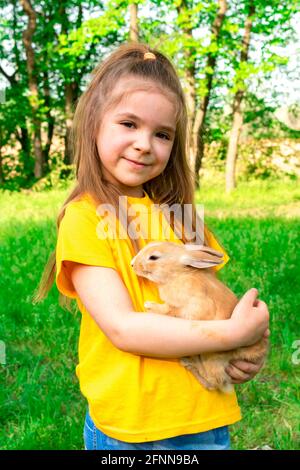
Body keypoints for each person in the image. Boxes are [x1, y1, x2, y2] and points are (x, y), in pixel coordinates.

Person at [34, 42, 269, 450]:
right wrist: (228, 334)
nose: (145, 143)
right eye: (128, 124)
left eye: (161, 134)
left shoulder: (178, 216)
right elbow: (124, 328)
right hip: (134, 427)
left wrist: (245, 347)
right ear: (94, 124)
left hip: (204, 415)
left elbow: (211, 300)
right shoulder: (85, 218)